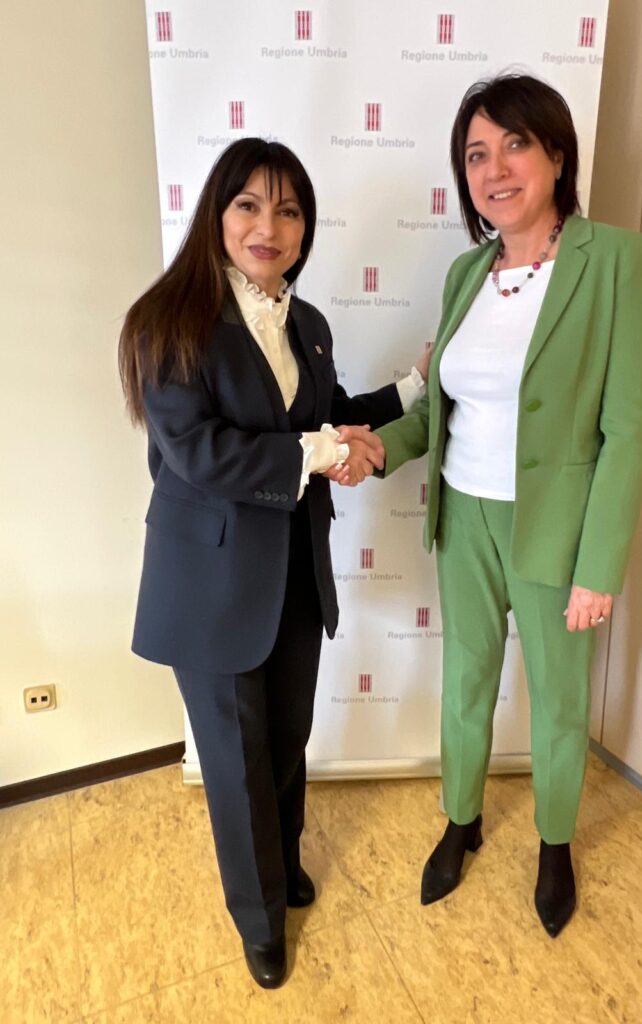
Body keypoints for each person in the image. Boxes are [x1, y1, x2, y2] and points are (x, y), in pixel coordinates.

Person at [118, 138, 430, 987]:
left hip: (294, 569)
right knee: (235, 760)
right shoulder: (168, 319)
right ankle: (258, 920)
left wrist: (409, 390)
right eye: (250, 205)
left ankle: (282, 867)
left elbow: (329, 416)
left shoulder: (309, 325)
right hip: (211, 585)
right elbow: (199, 452)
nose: (270, 226)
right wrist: (321, 451)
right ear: (216, 215)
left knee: (286, 740)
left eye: (289, 211)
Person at [371, 73, 642, 937]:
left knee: (559, 698)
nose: (494, 169)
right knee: (466, 680)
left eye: (515, 145)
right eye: (475, 154)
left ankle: (555, 842)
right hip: (463, 516)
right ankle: (461, 820)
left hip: (556, 531)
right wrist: (380, 447)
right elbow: (438, 410)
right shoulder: (467, 272)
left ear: (557, 155)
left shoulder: (618, 261)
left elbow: (628, 429)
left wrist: (600, 566)